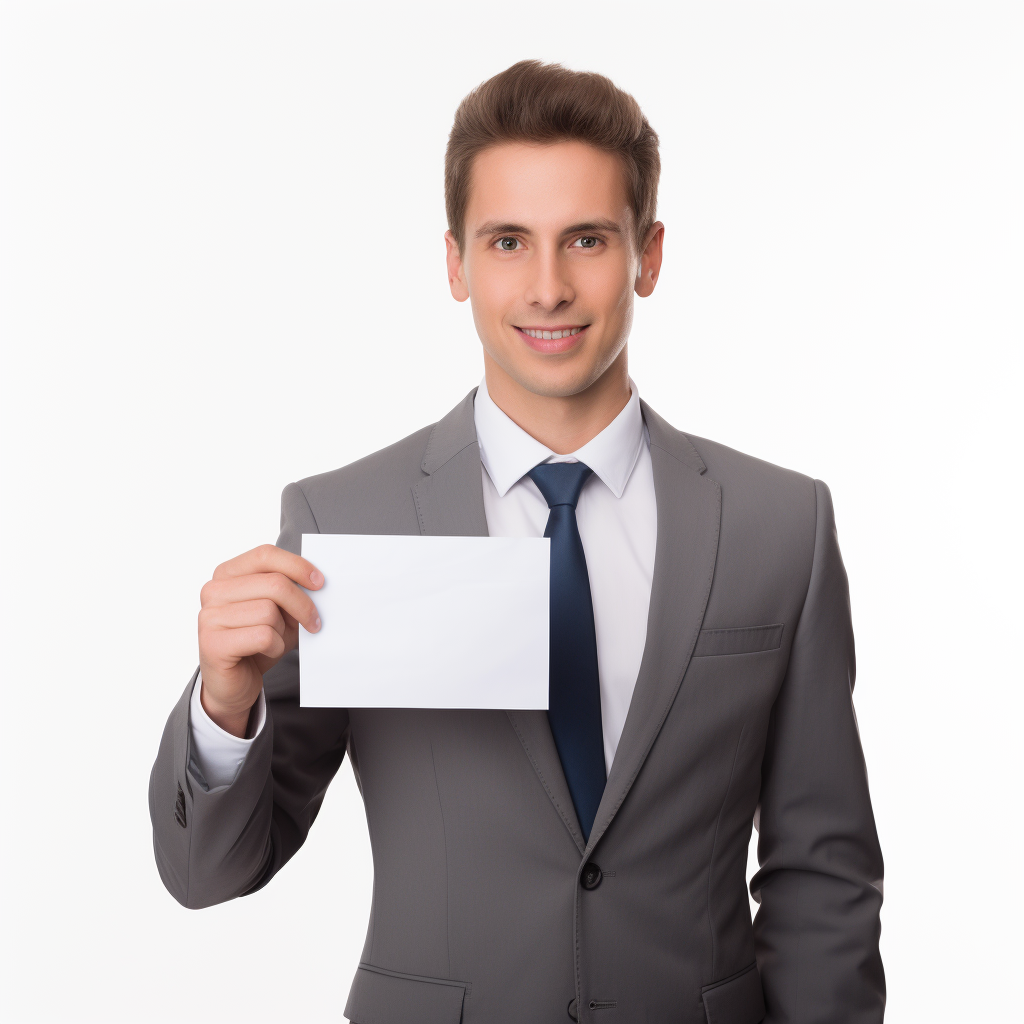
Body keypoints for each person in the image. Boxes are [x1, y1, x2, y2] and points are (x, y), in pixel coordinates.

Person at [150, 60, 884, 1024]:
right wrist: (224, 701)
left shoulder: (779, 524)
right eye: (507, 241)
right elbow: (212, 871)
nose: (548, 287)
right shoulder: (346, 522)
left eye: (587, 239)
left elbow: (823, 872)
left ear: (648, 257)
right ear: (455, 262)